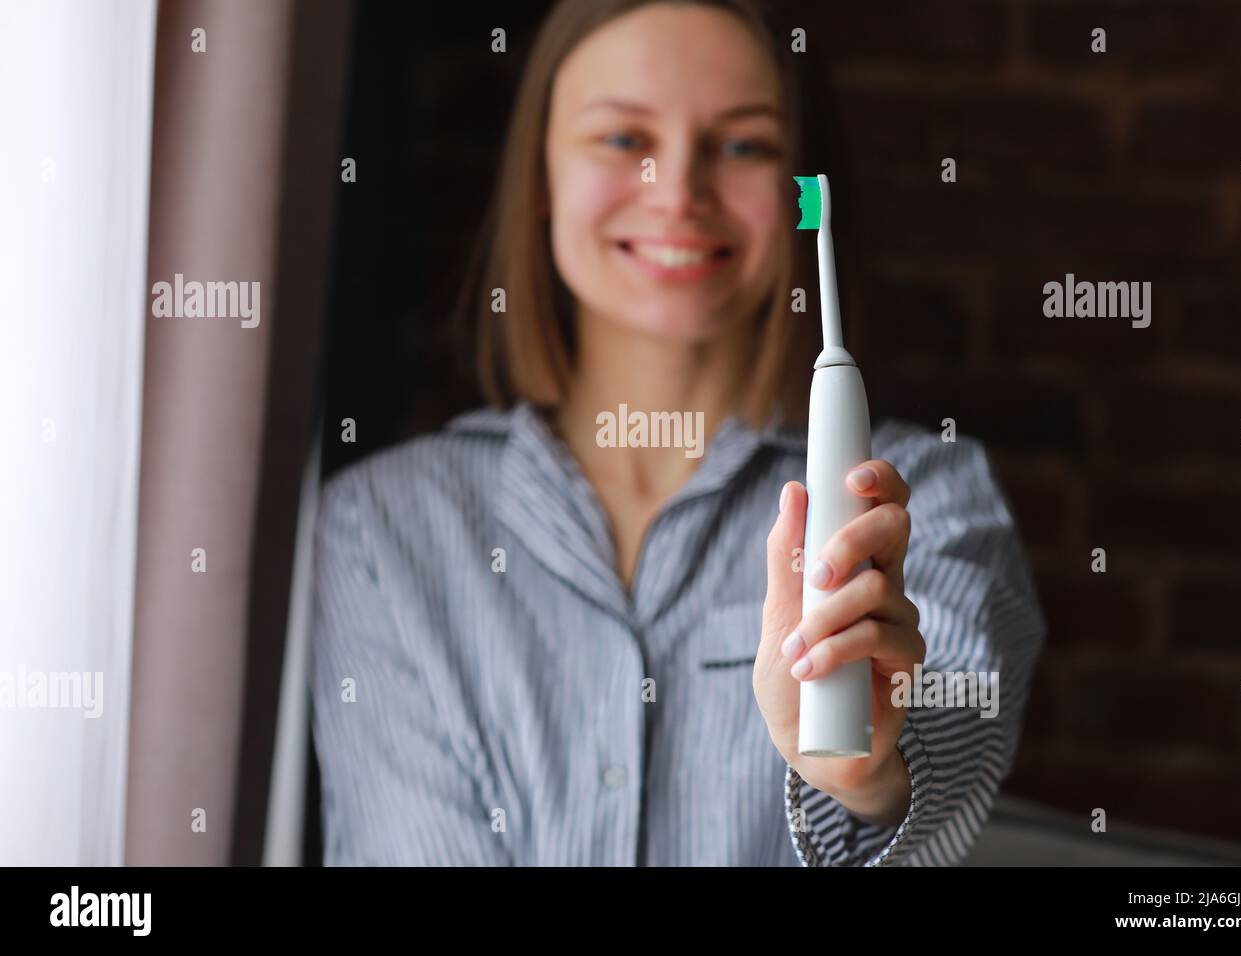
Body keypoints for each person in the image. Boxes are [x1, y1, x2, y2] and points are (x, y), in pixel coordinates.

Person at [311, 0, 1047, 866]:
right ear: (540, 175)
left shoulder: (926, 499)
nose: (680, 194)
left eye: (744, 145)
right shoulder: (380, 530)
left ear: (802, 188)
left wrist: (866, 772)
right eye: (624, 140)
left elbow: (954, 745)